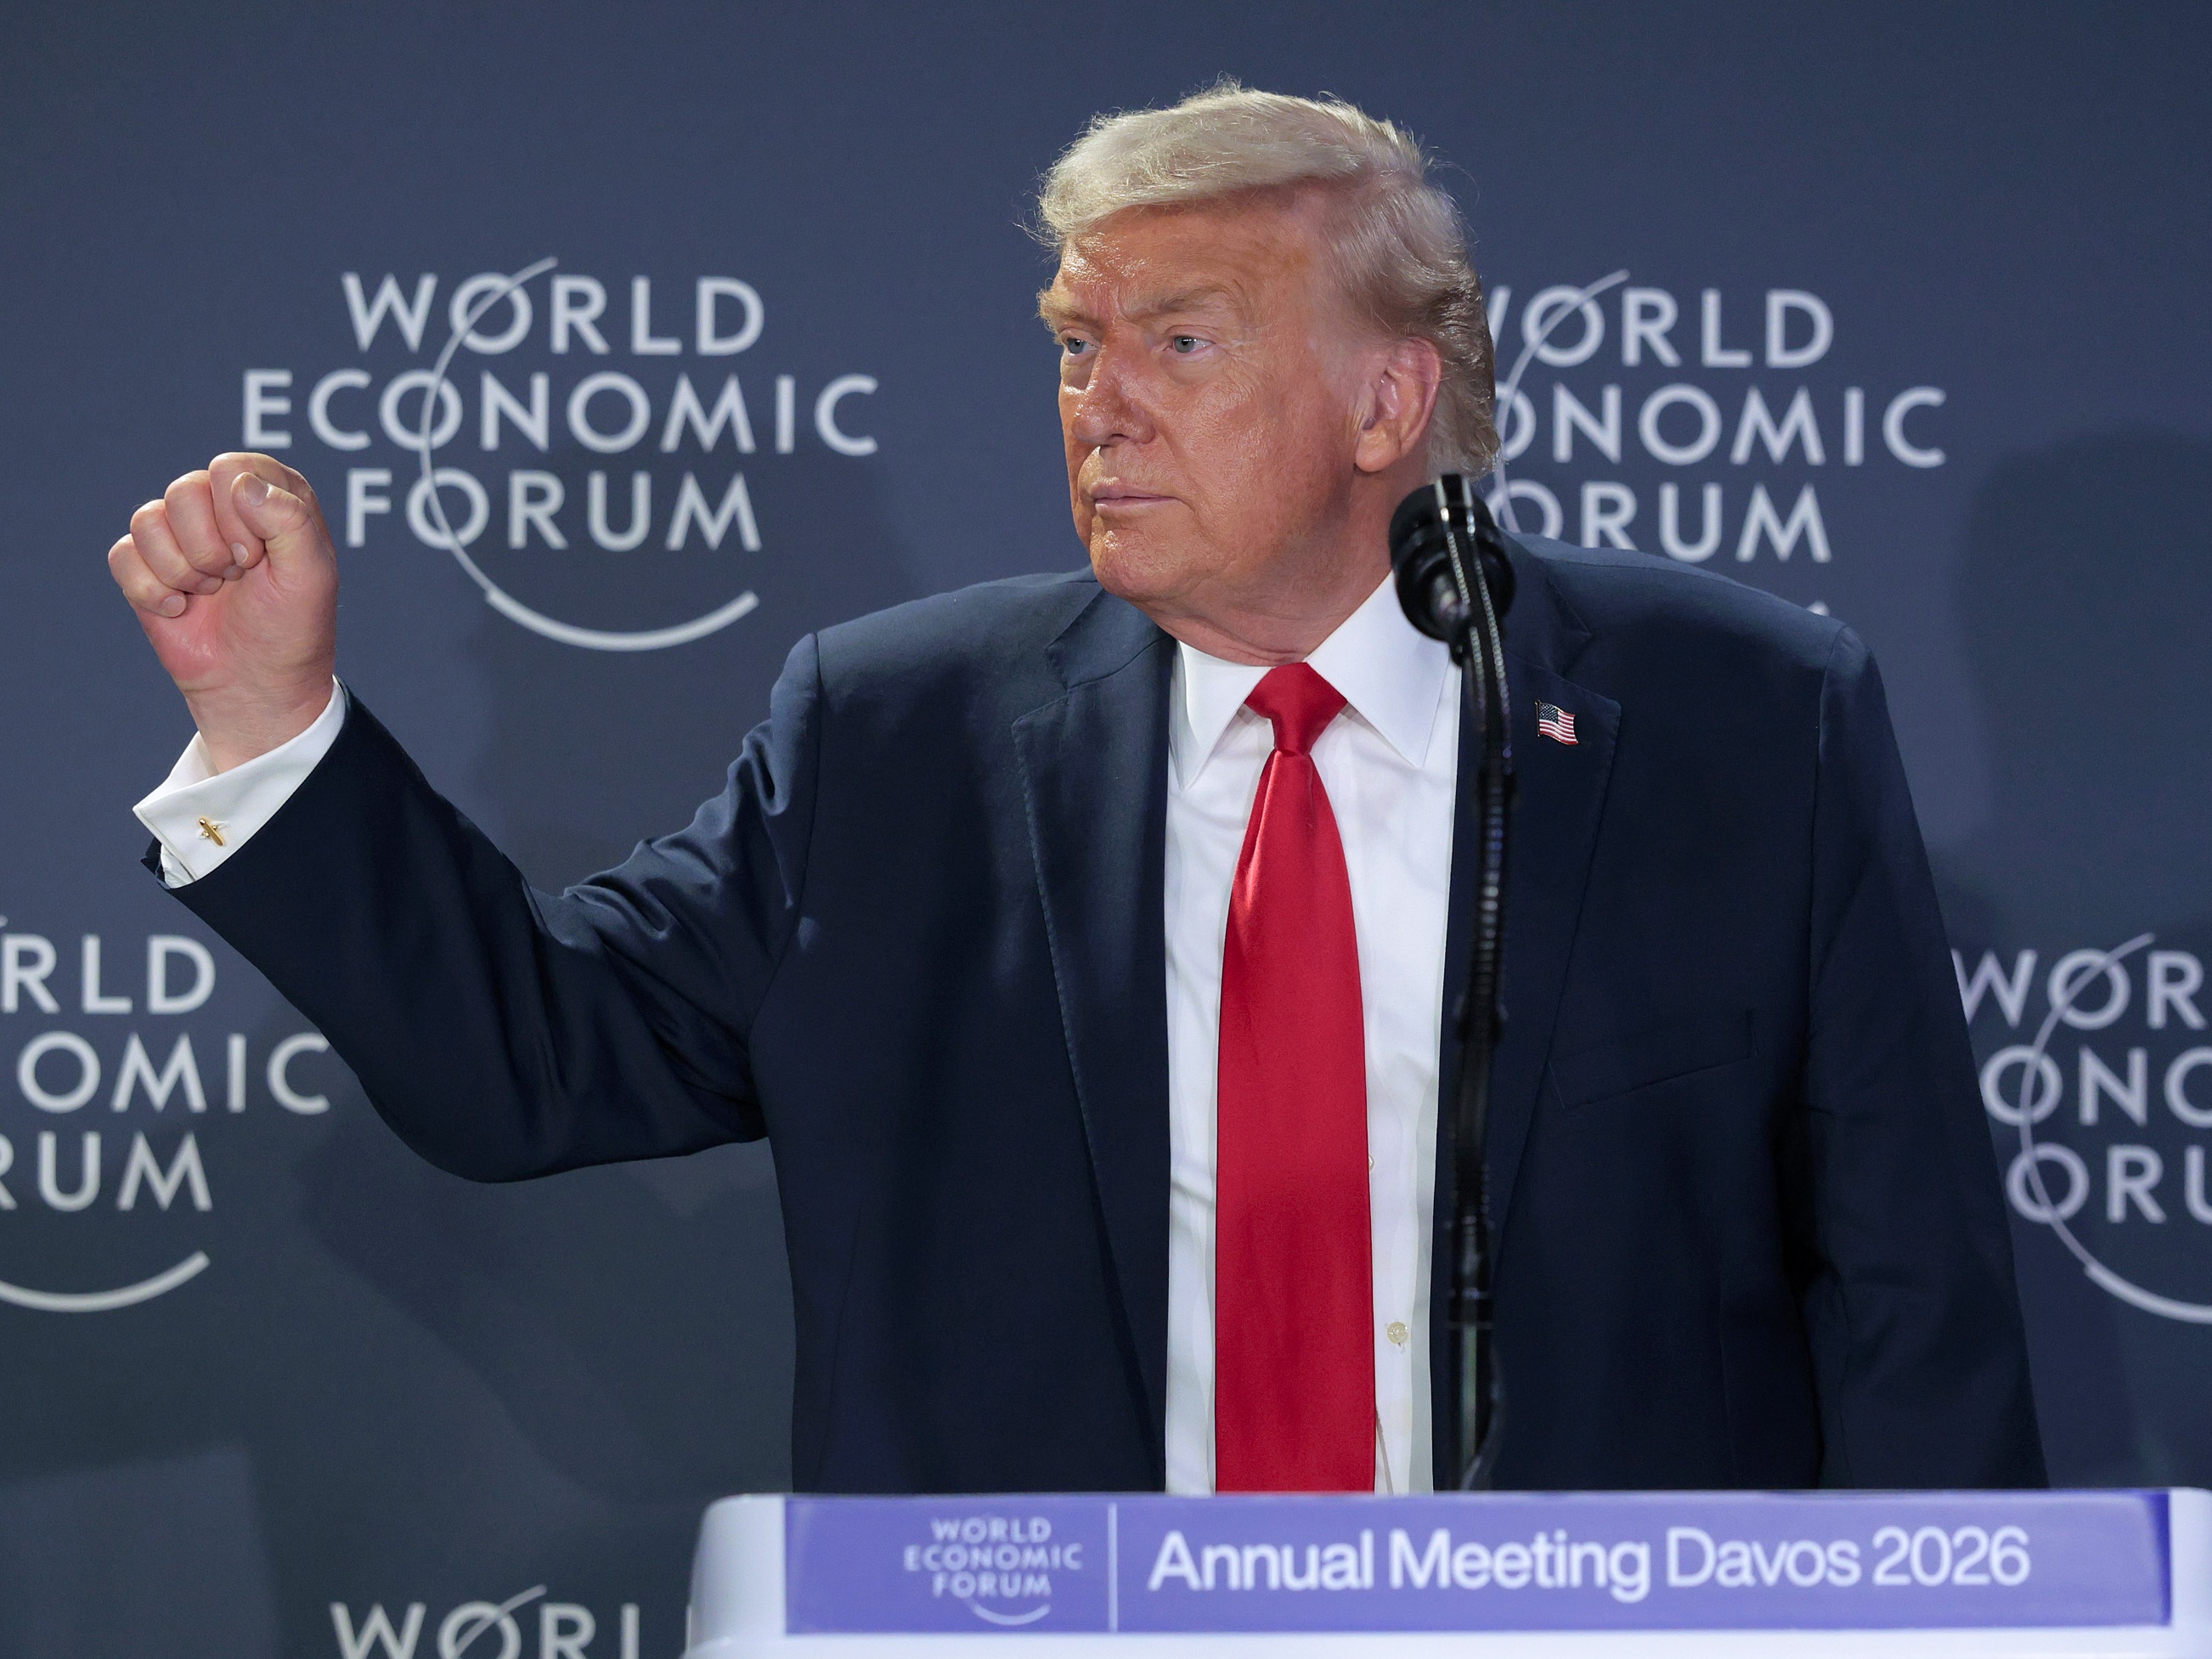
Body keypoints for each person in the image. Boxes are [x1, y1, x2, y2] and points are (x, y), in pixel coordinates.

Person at [106, 85, 2044, 1494]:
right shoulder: (897, 735)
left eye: (1178, 343)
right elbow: (531, 1056)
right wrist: (282, 720)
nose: (1096, 403)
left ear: (1387, 401)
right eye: (1072, 346)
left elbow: (1914, 1305)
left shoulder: (1741, 718)